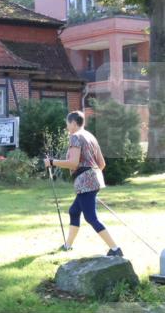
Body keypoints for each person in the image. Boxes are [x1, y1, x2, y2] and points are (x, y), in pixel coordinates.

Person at [45, 110, 123, 257]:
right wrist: (93, 181)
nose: (67, 127)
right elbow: (102, 163)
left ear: (74, 123)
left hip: (85, 182)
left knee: (91, 218)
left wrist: (51, 162)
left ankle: (115, 249)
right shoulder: (91, 137)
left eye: (68, 124)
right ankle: (68, 245)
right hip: (93, 179)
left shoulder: (75, 137)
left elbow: (73, 163)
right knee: (74, 211)